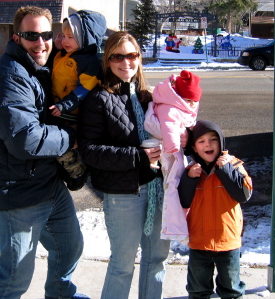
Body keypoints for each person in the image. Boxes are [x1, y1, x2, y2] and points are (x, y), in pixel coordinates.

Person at [0, 6, 87, 299]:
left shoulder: (37, 70)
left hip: (48, 184)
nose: (41, 42)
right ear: (16, 38)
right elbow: (26, 140)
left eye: (46, 35)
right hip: (18, 195)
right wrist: (70, 139)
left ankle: (61, 294)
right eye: (31, 36)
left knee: (70, 246)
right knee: (14, 276)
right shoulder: (7, 79)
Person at [78, 31, 172, 299]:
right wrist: (139, 157)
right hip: (123, 195)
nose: (126, 62)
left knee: (156, 259)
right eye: (117, 56)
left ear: (139, 58)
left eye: (132, 55)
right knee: (122, 264)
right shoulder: (98, 99)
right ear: (108, 60)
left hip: (158, 189)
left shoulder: (149, 96)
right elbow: (90, 151)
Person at [177, 120, 253, 299]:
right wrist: (189, 179)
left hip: (227, 241)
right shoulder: (191, 170)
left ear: (221, 143)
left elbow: (244, 195)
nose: (208, 145)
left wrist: (225, 170)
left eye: (213, 140)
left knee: (231, 290)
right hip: (199, 242)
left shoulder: (233, 165)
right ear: (195, 148)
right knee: (198, 290)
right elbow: (183, 201)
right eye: (201, 141)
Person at [49, 10, 107, 191]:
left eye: (70, 37)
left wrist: (65, 105)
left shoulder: (87, 62)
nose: (65, 40)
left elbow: (84, 88)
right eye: (63, 36)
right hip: (58, 107)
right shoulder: (64, 54)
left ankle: (78, 172)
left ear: (86, 38)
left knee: (62, 144)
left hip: (71, 112)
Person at [144, 70, 201, 243]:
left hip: (170, 150)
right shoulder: (170, 108)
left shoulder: (179, 105)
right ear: (179, 97)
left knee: (176, 185)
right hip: (167, 150)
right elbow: (169, 129)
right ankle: (175, 227)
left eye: (194, 101)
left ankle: (176, 225)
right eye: (188, 101)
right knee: (173, 184)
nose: (191, 105)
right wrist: (173, 147)